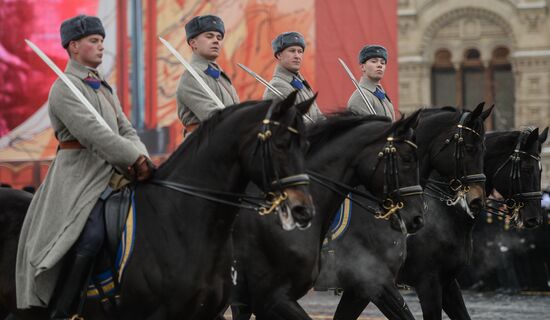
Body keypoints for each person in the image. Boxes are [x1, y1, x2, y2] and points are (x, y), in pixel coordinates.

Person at [15, 15, 153, 319]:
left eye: (102, 41)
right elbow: (94, 133)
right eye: (94, 41)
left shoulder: (104, 88)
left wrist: (142, 156)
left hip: (114, 172)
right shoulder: (63, 89)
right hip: (78, 177)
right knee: (89, 235)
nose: (101, 46)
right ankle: (66, 308)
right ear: (74, 46)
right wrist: (133, 158)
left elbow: (126, 130)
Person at [176, 14, 239, 137]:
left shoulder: (221, 76)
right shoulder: (191, 76)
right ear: (193, 43)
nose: (216, 40)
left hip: (225, 143)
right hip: (202, 146)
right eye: (209, 36)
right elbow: (212, 116)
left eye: (219, 37)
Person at [263, 31, 323, 125]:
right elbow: (290, 123)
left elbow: (318, 115)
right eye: (292, 51)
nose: (297, 56)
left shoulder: (302, 83)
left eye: (300, 52)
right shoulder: (277, 86)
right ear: (279, 55)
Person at [347, 45, 395, 120]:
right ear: (363, 67)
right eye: (374, 61)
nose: (379, 65)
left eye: (383, 63)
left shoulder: (382, 95)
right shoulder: (361, 97)